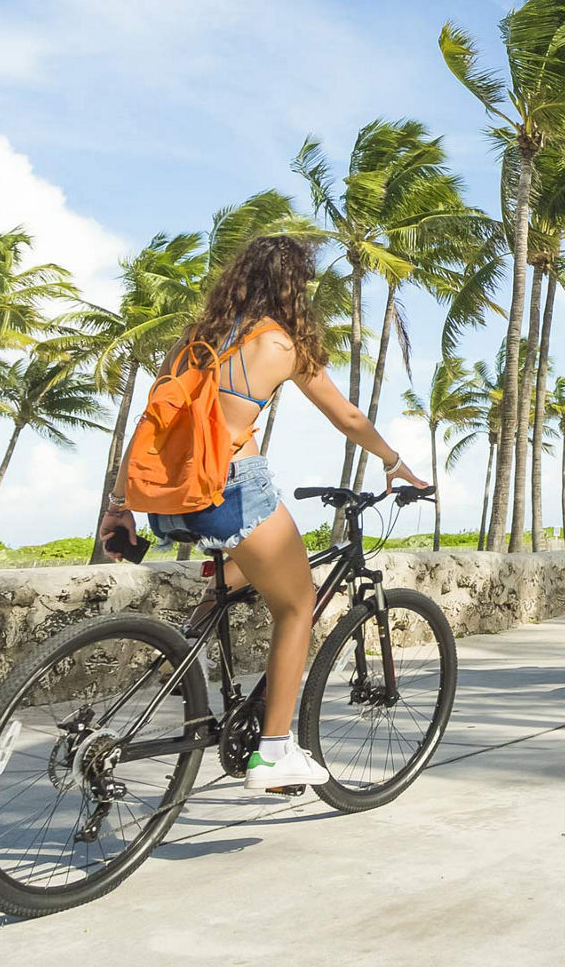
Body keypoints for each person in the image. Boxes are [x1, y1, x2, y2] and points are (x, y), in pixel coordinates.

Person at [97, 236, 427, 792]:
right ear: (293, 286)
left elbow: (152, 423)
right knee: (298, 605)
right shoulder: (281, 342)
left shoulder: (194, 342)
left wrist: (120, 506)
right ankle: (274, 753)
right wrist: (395, 463)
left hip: (170, 499)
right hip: (230, 489)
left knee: (253, 564)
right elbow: (346, 416)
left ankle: (185, 644)